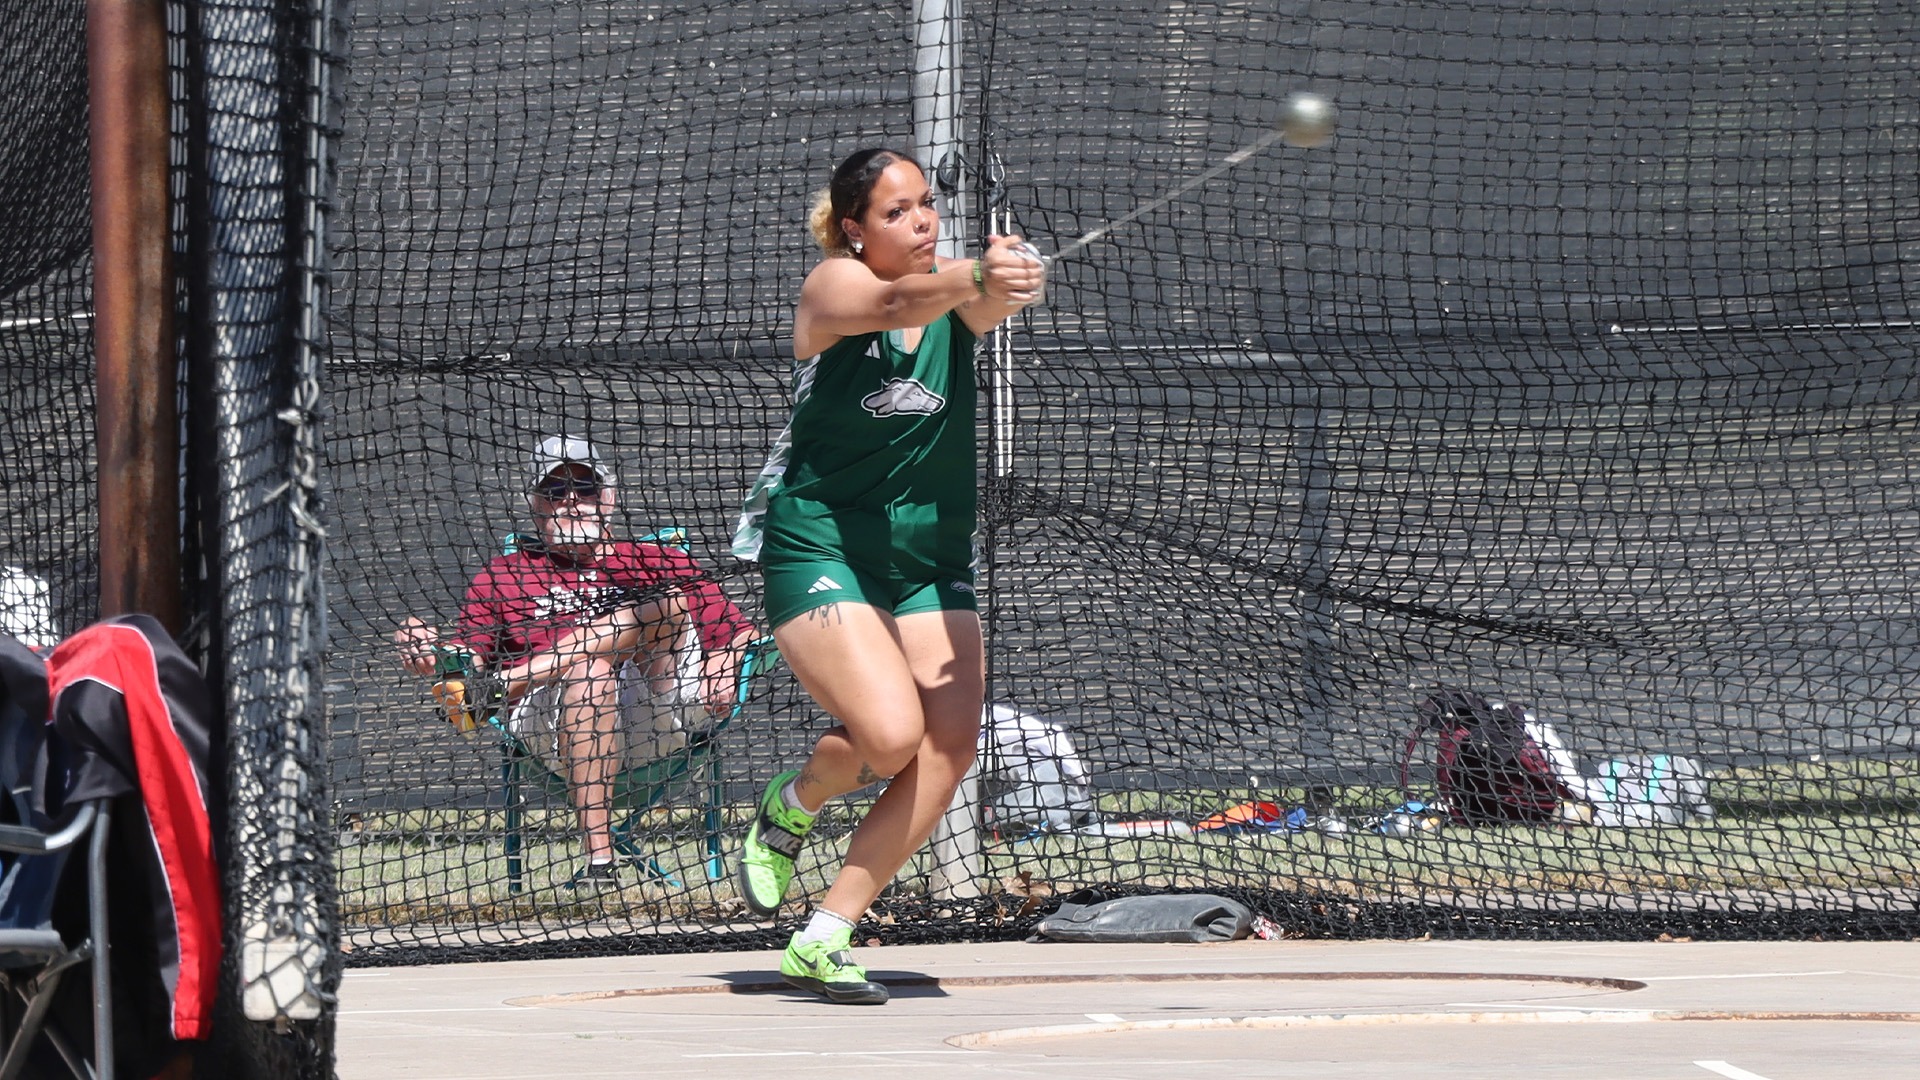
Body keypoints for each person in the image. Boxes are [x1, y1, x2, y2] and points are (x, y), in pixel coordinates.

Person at [730, 147, 1044, 1003]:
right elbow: (898, 298)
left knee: (949, 747)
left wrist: (1010, 280)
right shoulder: (833, 288)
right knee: (887, 736)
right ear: (855, 230)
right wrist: (977, 272)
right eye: (898, 212)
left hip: (930, 559)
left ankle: (827, 931)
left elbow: (977, 296)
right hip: (823, 545)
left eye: (927, 206)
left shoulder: (951, 299)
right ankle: (793, 803)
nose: (921, 222)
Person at [395, 435, 757, 889]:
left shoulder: (657, 560)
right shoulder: (507, 573)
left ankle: (506, 684)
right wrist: (429, 654)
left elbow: (741, 631)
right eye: (554, 491)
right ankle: (601, 862)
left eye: (584, 489)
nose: (571, 501)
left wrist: (724, 657)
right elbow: (466, 657)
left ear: (608, 498)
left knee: (665, 602)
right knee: (589, 670)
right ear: (534, 504)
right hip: (552, 725)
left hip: (659, 714)